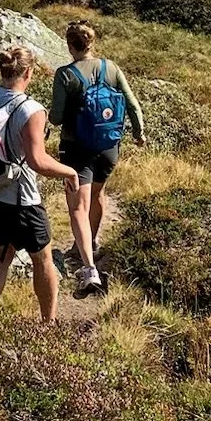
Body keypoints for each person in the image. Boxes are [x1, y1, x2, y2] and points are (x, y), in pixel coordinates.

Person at [0, 42, 86, 322]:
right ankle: (48, 325)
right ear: (29, 73)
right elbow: (37, 161)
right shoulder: (30, 109)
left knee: (1, 255)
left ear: (3, 70)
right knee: (43, 259)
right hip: (21, 199)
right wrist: (69, 172)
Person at [49, 19, 146, 292]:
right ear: (92, 42)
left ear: (70, 46)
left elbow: (56, 117)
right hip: (108, 147)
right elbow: (132, 104)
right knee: (98, 195)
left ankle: (89, 269)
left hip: (76, 147)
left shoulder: (65, 75)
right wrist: (139, 134)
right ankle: (90, 243)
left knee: (77, 206)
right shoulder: (111, 67)